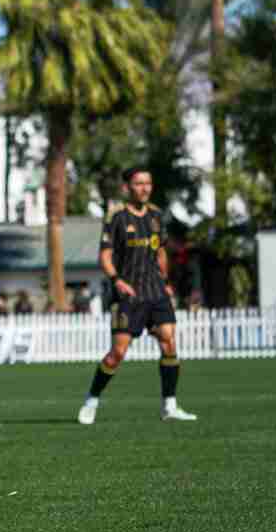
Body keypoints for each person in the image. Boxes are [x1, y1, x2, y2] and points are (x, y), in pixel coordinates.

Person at [79, 167, 194, 425]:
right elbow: (105, 257)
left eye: (148, 183)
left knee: (169, 341)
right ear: (127, 188)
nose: (144, 188)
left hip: (155, 291)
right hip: (128, 294)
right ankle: (92, 399)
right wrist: (117, 280)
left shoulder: (156, 215)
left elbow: (161, 252)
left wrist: (165, 281)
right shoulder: (116, 217)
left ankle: (170, 406)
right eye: (139, 184)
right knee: (116, 354)